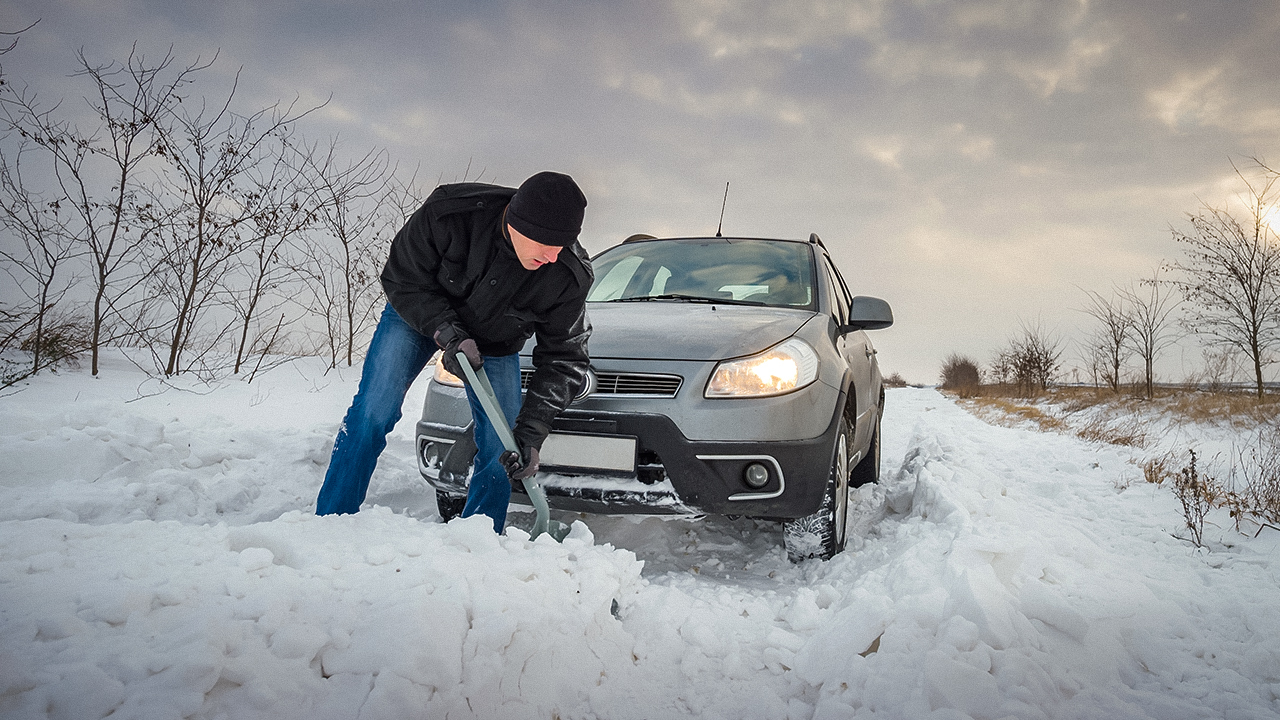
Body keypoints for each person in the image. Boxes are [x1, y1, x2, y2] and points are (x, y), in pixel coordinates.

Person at [315, 171, 593, 533]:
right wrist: (448, 333)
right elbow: (402, 278)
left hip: (495, 344)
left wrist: (532, 433)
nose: (553, 256)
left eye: (563, 244)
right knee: (373, 410)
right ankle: (330, 521)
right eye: (544, 242)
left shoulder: (568, 275)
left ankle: (479, 539)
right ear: (514, 220)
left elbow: (565, 359)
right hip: (416, 317)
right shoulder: (450, 213)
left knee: (502, 446)